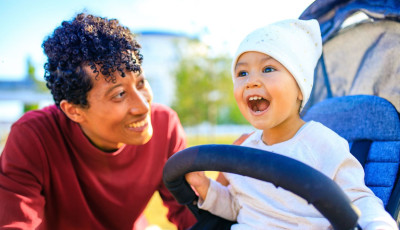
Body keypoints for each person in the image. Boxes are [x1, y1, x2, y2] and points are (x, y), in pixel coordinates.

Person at [185, 19, 398, 230]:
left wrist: (378, 225)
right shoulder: (245, 149)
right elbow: (239, 208)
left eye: (268, 69)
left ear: (300, 88)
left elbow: (359, 200)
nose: (252, 81)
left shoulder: (321, 144)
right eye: (242, 73)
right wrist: (207, 188)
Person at [0, 12, 196, 230]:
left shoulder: (165, 126)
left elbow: (190, 215)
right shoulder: (33, 136)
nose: (143, 106)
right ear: (73, 111)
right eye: (119, 94)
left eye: (141, 83)